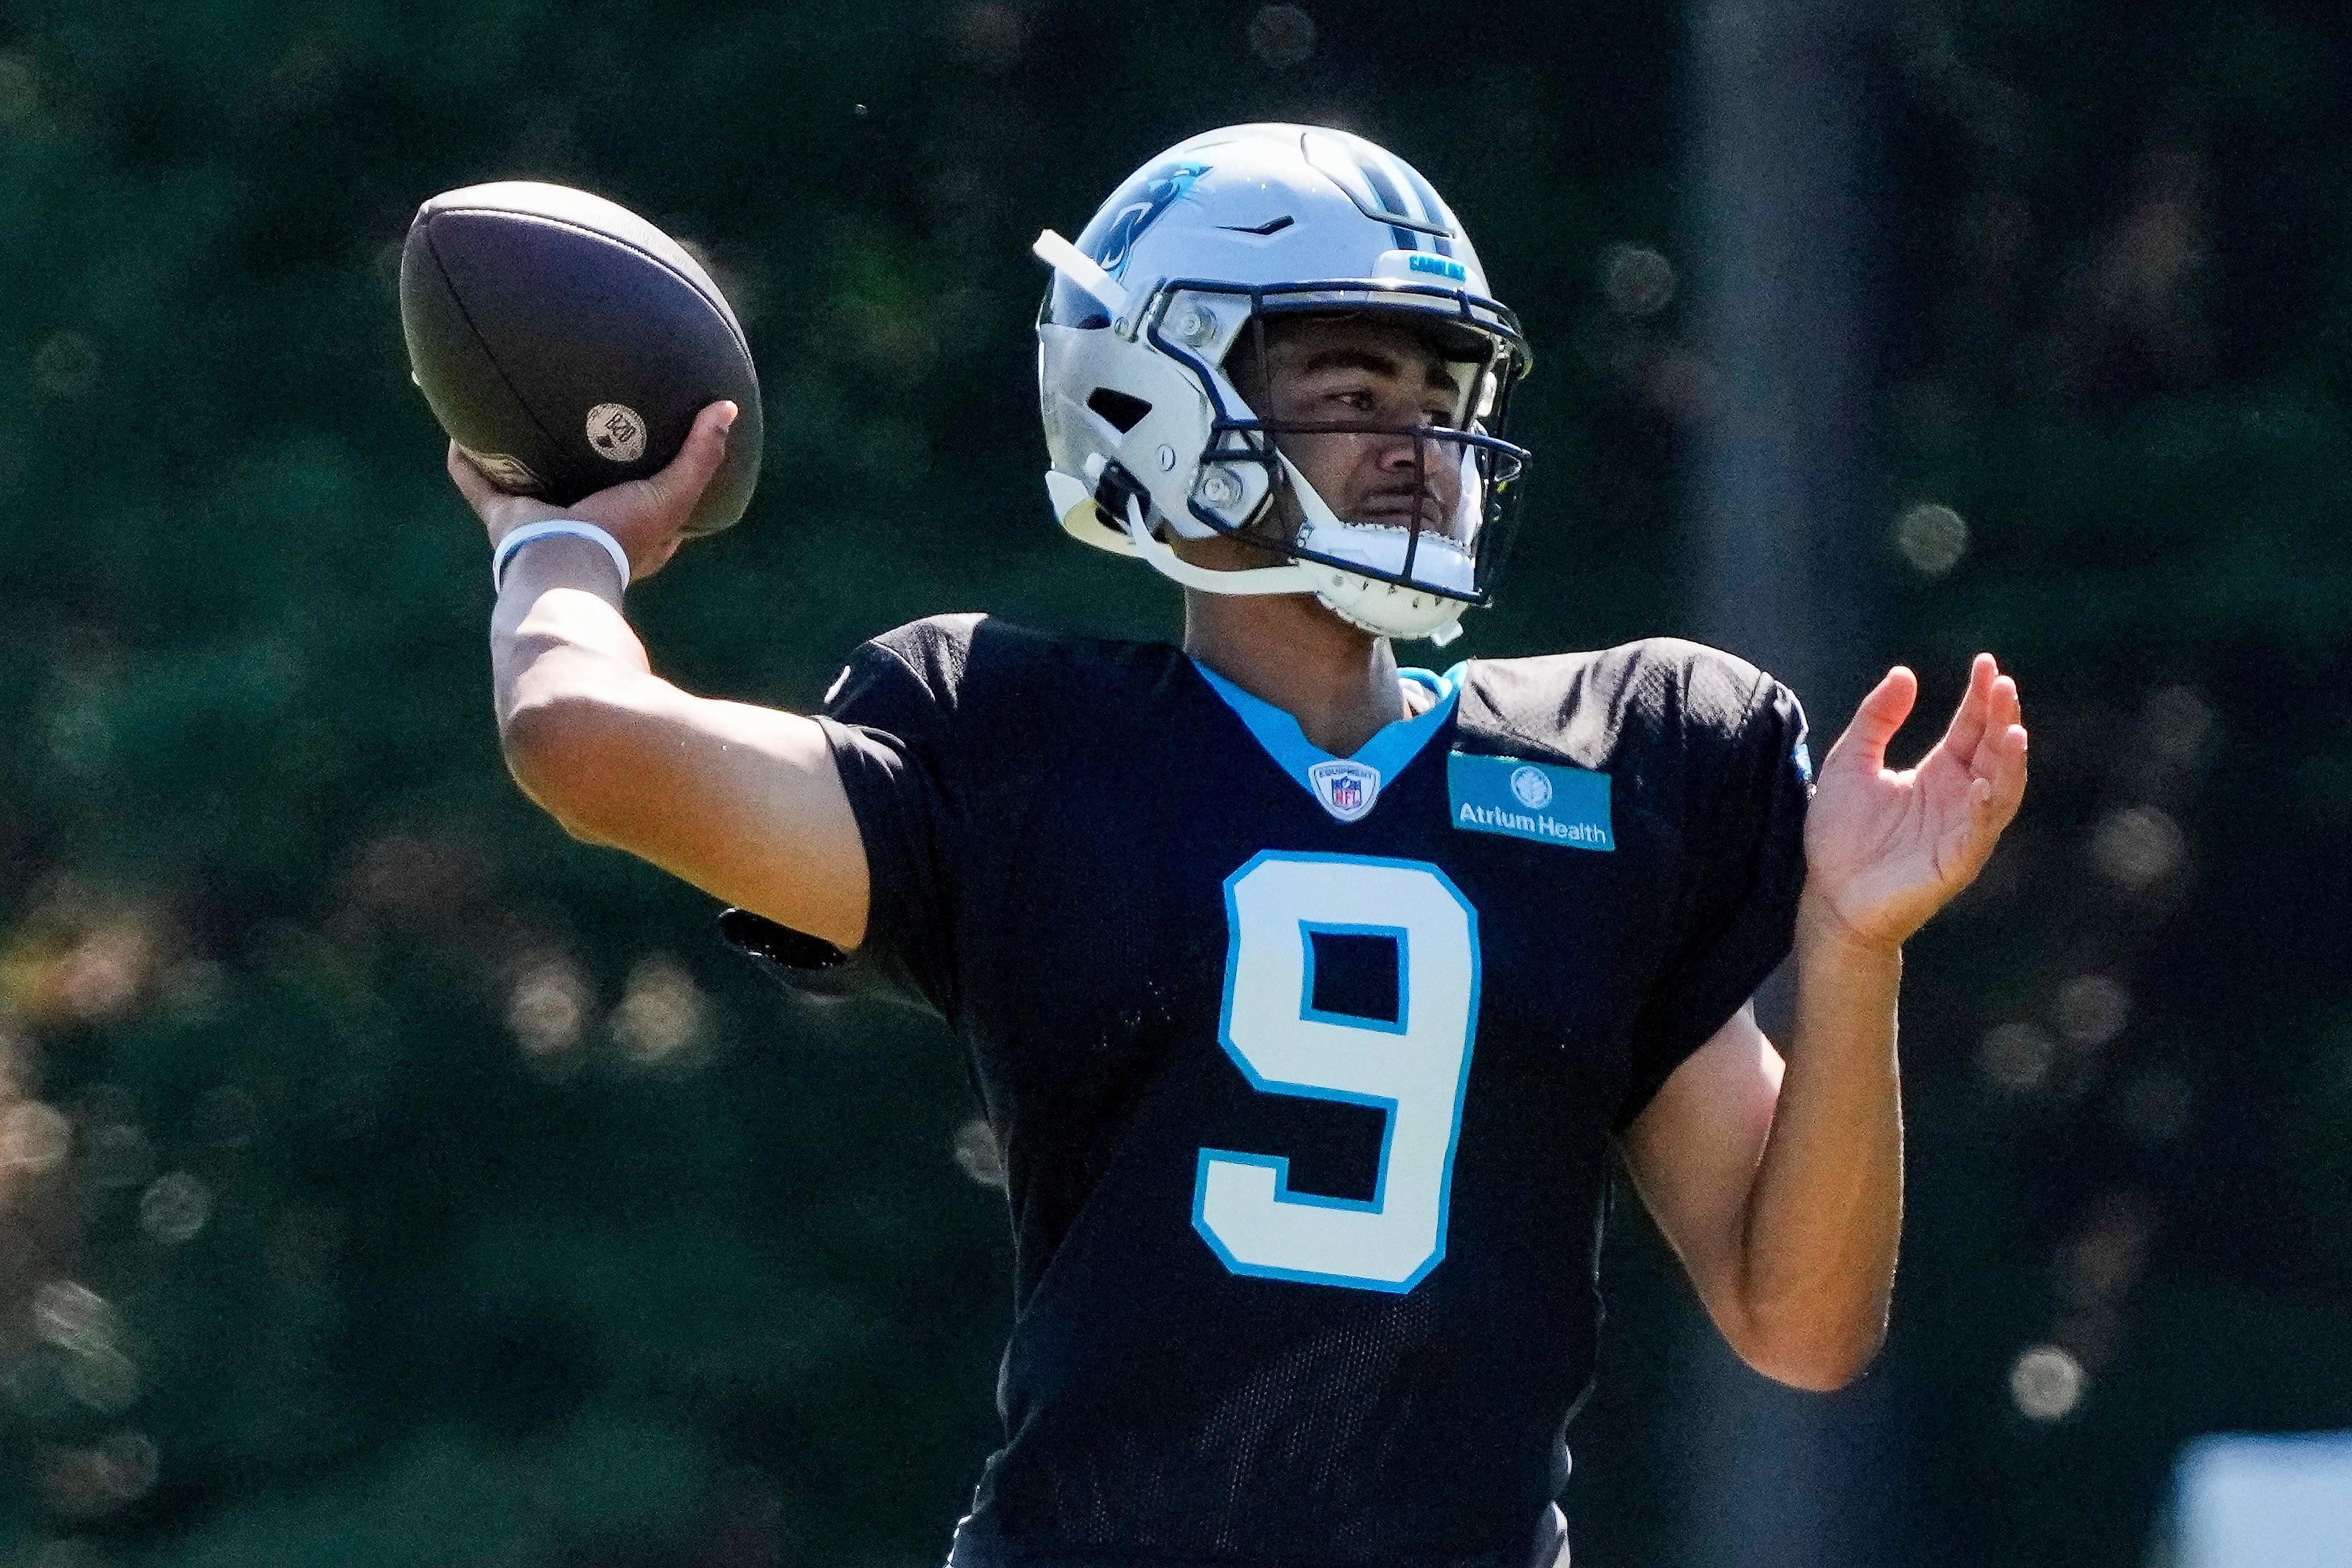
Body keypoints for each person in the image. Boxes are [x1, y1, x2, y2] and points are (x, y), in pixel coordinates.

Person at [449, 125, 2028, 1568]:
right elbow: (584, 744)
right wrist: (567, 546)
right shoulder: (1021, 749)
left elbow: (1801, 1319)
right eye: (1350, 390)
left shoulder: (1623, 766)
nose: (1415, 444)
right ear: (1152, 390)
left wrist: (1852, 949)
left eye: (1438, 397)